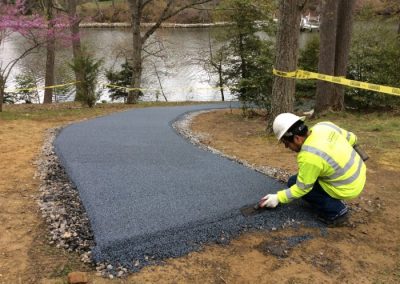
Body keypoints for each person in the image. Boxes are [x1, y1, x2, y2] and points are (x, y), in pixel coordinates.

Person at [259, 113, 367, 225]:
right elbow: (352, 138)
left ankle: (337, 212)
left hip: (348, 187)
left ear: (297, 138)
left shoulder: (309, 155)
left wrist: (278, 198)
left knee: (296, 184)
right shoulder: (324, 126)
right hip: (359, 173)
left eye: (286, 143)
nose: (286, 147)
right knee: (294, 180)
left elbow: (302, 188)